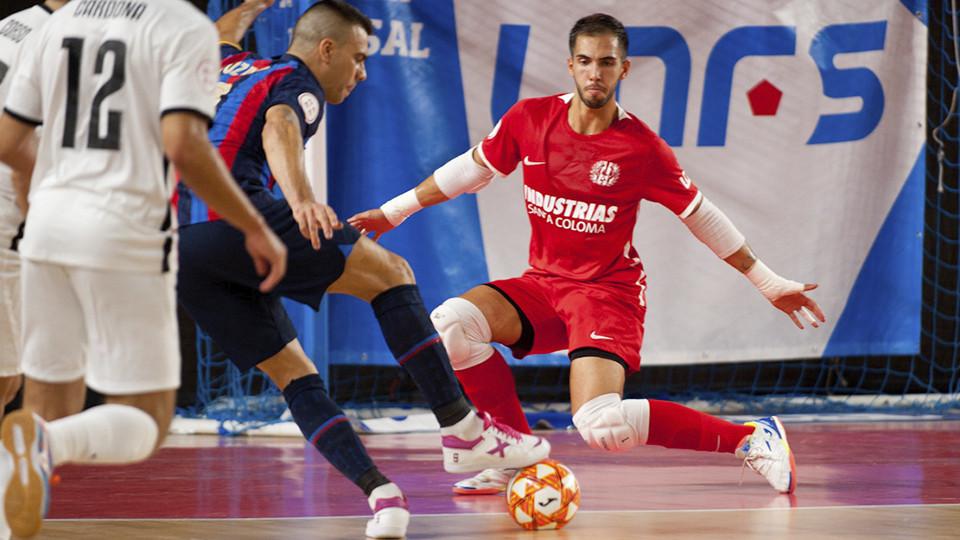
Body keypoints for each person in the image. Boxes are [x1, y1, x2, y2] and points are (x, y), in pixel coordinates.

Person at [349, 13, 826, 497]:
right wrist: (393, 212)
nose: (594, 73)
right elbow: (473, 169)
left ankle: (753, 438)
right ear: (570, 66)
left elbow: (701, 215)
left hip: (607, 294)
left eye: (606, 62)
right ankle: (512, 455)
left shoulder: (641, 148)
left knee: (602, 427)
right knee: (453, 323)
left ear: (624, 69)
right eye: (584, 61)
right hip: (544, 284)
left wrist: (766, 280)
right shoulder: (530, 119)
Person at [174, 1, 549, 537]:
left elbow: (219, 32)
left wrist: (253, 5)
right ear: (326, 50)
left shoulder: (226, 65)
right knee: (392, 271)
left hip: (183, 248)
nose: (362, 72)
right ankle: (462, 427)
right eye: (358, 57)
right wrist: (302, 199)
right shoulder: (294, 79)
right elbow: (279, 126)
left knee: (294, 376)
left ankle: (382, 496)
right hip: (236, 213)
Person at [0, 0, 288, 537]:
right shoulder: (181, 25)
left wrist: (49, 193)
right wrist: (253, 225)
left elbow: (8, 141)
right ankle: (45, 446)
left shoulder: (56, 23)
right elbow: (183, 143)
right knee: (146, 422)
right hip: (123, 232)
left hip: (45, 229)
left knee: (43, 406)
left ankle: (17, 500)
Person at [0, 0, 71, 433]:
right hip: (5, 216)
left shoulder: (11, 24)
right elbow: (17, 147)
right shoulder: (61, 39)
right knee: (6, 377)